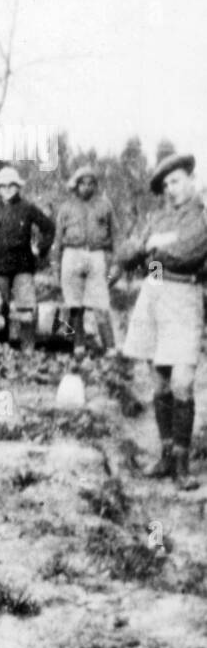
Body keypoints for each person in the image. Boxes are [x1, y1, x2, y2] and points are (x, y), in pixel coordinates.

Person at [116, 153, 207, 486]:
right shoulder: (158, 218)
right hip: (154, 294)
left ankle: (182, 464)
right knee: (159, 381)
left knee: (182, 381)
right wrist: (148, 246)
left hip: (184, 297)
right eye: (166, 184)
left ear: (191, 181)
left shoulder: (201, 216)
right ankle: (166, 455)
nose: (171, 189)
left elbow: (190, 253)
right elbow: (127, 255)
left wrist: (152, 249)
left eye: (177, 181)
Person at [0, 166, 55, 351]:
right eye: (3, 186)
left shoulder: (28, 208)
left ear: (18, 187)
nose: (7, 190)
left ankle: (28, 347)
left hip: (23, 265)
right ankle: (1, 344)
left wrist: (38, 248)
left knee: (27, 307)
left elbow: (49, 228)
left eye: (11, 186)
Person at [55, 164, 117, 357]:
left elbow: (115, 235)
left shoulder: (104, 205)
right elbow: (58, 239)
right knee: (75, 305)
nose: (87, 187)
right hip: (72, 254)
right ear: (75, 186)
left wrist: (116, 263)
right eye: (82, 183)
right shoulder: (66, 207)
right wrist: (56, 265)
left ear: (95, 186)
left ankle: (111, 348)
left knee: (101, 304)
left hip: (96, 255)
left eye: (91, 183)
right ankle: (78, 345)